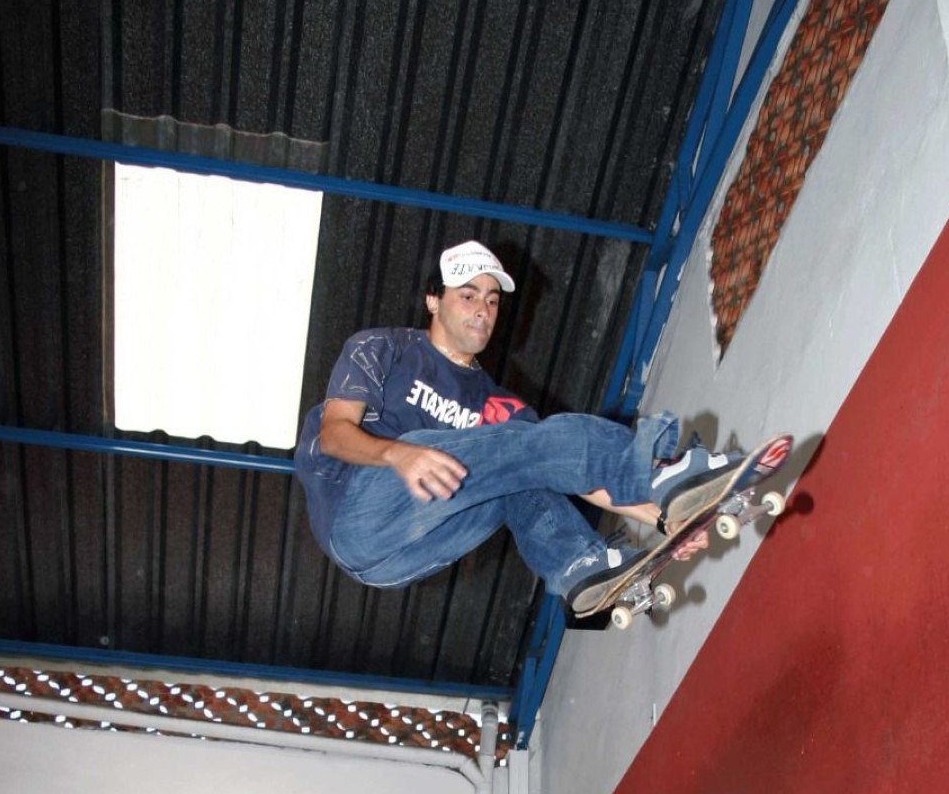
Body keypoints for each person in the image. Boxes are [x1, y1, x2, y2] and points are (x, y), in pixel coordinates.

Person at [293, 239, 749, 614]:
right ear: (433, 301)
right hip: (358, 509)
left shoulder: (498, 404)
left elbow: (572, 470)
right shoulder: (382, 348)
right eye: (468, 295)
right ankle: (656, 471)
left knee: (526, 461)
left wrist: (667, 518)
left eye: (492, 301)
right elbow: (333, 433)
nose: (482, 311)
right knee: (459, 444)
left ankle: (579, 564)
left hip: (405, 556)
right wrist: (397, 454)